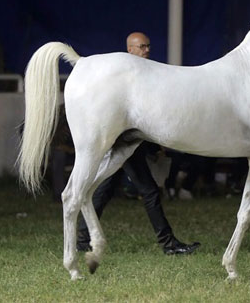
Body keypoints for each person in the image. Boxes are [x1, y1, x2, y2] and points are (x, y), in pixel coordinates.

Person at [76, 32, 200, 255]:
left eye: (148, 46)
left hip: (130, 142)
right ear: (130, 51)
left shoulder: (145, 75)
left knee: (106, 189)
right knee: (146, 191)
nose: (146, 50)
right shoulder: (125, 77)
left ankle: (84, 239)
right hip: (123, 142)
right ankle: (168, 243)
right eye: (141, 47)